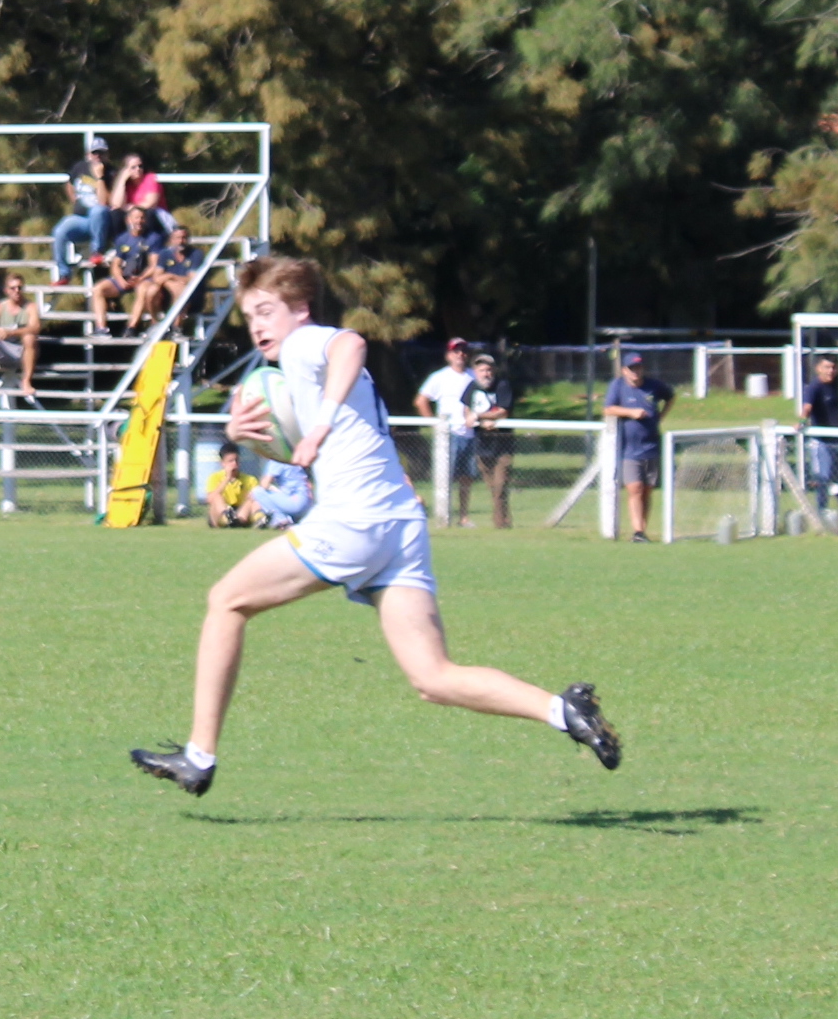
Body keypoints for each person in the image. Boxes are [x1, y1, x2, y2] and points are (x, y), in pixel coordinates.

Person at [130, 256, 619, 796]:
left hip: (355, 521)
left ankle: (199, 756)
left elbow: (351, 345)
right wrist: (249, 437)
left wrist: (316, 426)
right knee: (433, 677)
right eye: (251, 317)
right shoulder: (299, 364)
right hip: (399, 525)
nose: (260, 326)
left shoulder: (306, 343)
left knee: (226, 600)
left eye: (268, 311)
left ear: (300, 310)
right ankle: (562, 710)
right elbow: (304, 446)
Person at [603, 353, 674, 543]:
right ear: (624, 370)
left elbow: (670, 397)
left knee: (647, 489)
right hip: (629, 448)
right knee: (634, 487)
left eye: (638, 368)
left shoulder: (654, 385)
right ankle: (638, 531)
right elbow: (608, 409)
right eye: (632, 368)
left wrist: (660, 416)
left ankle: (642, 529)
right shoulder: (618, 386)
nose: (636, 372)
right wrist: (630, 412)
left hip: (651, 446)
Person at [413, 337, 478, 527]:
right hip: (449, 435)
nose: (460, 355)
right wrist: (435, 425)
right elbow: (421, 400)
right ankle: (444, 515)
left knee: (466, 478)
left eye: (463, 351)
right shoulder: (440, 377)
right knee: (446, 477)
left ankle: (463, 517)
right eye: (456, 351)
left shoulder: (473, 376)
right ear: (448, 355)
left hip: (470, 433)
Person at [88, 206, 163, 338]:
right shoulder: (122, 239)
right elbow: (116, 264)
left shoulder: (153, 238)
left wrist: (140, 278)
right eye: (136, 218)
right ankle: (101, 328)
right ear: (128, 220)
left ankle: (131, 327)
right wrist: (120, 280)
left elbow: (154, 265)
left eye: (142, 218)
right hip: (126, 277)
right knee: (98, 289)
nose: (139, 221)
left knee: (143, 289)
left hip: (144, 278)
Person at [462, 353, 517, 529]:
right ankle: (503, 520)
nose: (486, 373)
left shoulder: (502, 385)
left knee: (500, 485)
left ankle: (501, 523)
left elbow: (503, 411)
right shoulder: (472, 387)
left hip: (502, 444)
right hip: (482, 444)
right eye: (481, 370)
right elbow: (467, 409)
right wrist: (472, 419)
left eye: (488, 369)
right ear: (475, 371)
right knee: (492, 487)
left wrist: (480, 415)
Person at [51, 138, 114, 283]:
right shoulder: (80, 167)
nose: (97, 156)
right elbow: (69, 183)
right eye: (94, 153)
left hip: (99, 222)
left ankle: (97, 251)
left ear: (107, 155)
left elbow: (104, 202)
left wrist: (100, 177)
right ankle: (63, 273)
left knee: (98, 211)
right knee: (59, 231)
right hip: (80, 219)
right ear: (89, 154)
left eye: (101, 153)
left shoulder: (111, 173)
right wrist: (75, 199)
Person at [800, 355, 838, 523]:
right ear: (818, 368)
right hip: (822, 442)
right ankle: (821, 519)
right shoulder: (814, 387)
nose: (830, 371)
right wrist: (801, 422)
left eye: (833, 367)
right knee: (822, 480)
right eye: (827, 367)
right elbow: (807, 407)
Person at [146, 225, 200, 327]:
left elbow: (192, 280)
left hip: (190, 294)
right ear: (172, 240)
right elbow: (157, 278)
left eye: (183, 238)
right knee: (150, 291)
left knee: (182, 290)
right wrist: (169, 281)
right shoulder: (164, 254)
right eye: (177, 238)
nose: (180, 241)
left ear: (188, 239)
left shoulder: (196, 254)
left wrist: (170, 276)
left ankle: (176, 327)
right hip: (165, 292)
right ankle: (154, 323)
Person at [110, 151, 175, 235]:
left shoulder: (150, 178)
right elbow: (116, 204)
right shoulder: (126, 184)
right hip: (133, 217)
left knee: (148, 213)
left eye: (140, 166)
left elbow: (150, 203)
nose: (138, 169)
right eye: (133, 167)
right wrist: (122, 180)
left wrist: (131, 208)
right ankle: (120, 242)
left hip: (155, 217)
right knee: (116, 214)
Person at [205, 441, 260, 528]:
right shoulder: (215, 477)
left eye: (236, 460)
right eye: (230, 461)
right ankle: (226, 519)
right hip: (221, 511)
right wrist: (227, 478)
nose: (234, 464)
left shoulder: (250, 479)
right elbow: (210, 499)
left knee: (254, 499)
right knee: (216, 497)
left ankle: (258, 520)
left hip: (240, 512)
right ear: (223, 463)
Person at [248, 459, 312, 529]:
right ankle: (290, 522)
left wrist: (272, 488)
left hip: (295, 502)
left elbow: (264, 484)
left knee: (257, 492)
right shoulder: (291, 457)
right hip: (308, 503)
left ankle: (282, 521)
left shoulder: (277, 460)